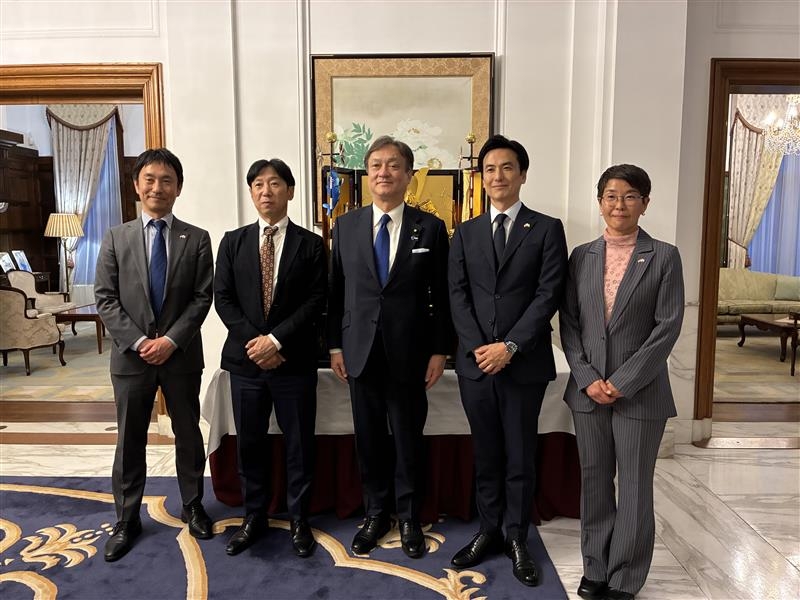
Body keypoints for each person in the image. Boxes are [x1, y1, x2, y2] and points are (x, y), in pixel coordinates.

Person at [559, 164, 684, 600]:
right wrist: (589, 377)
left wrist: (623, 381)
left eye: (630, 196)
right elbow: (570, 325)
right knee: (594, 480)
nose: (619, 204)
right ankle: (596, 565)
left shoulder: (664, 256)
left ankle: (625, 577)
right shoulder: (581, 256)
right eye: (611, 196)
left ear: (645, 204)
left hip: (641, 393)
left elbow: (667, 327)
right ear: (600, 202)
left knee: (632, 485)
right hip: (588, 393)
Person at [447, 134, 568, 586]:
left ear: (522, 174)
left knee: (520, 454)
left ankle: (517, 537)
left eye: (507, 168)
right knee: (486, 452)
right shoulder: (466, 232)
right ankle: (488, 530)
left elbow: (547, 294)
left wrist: (510, 346)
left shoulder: (546, 228)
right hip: (476, 364)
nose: (498, 176)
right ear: (481, 177)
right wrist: (481, 347)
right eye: (490, 169)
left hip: (523, 363)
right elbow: (456, 294)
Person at [327, 135, 452, 559]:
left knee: (407, 439)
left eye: (393, 165)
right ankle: (376, 513)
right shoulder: (345, 226)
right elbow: (335, 292)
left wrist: (439, 351)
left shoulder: (431, 228)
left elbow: (442, 295)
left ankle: (410, 516)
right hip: (359, 352)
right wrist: (334, 347)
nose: (384, 172)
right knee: (369, 440)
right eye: (376, 165)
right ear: (367, 174)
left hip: (410, 355)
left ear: (408, 175)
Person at [95, 148, 214, 562]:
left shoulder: (196, 238)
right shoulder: (115, 237)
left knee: (187, 431)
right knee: (130, 438)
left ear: (178, 188)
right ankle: (126, 518)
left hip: (180, 356)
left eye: (166, 180)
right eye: (149, 179)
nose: (157, 187)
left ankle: (193, 503)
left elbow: (202, 298)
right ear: (136, 185)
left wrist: (171, 341)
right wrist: (140, 341)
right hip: (131, 358)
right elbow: (105, 299)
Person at [214, 158, 326, 558]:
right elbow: (223, 299)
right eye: (258, 184)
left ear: (290, 191)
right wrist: (257, 344)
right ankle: (254, 515)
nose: (266, 191)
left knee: (299, 444)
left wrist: (276, 342)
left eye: (275, 183)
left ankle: (299, 519)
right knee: (250, 445)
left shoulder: (311, 245)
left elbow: (316, 301)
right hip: (246, 365)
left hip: (292, 363)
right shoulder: (233, 241)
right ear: (251, 192)